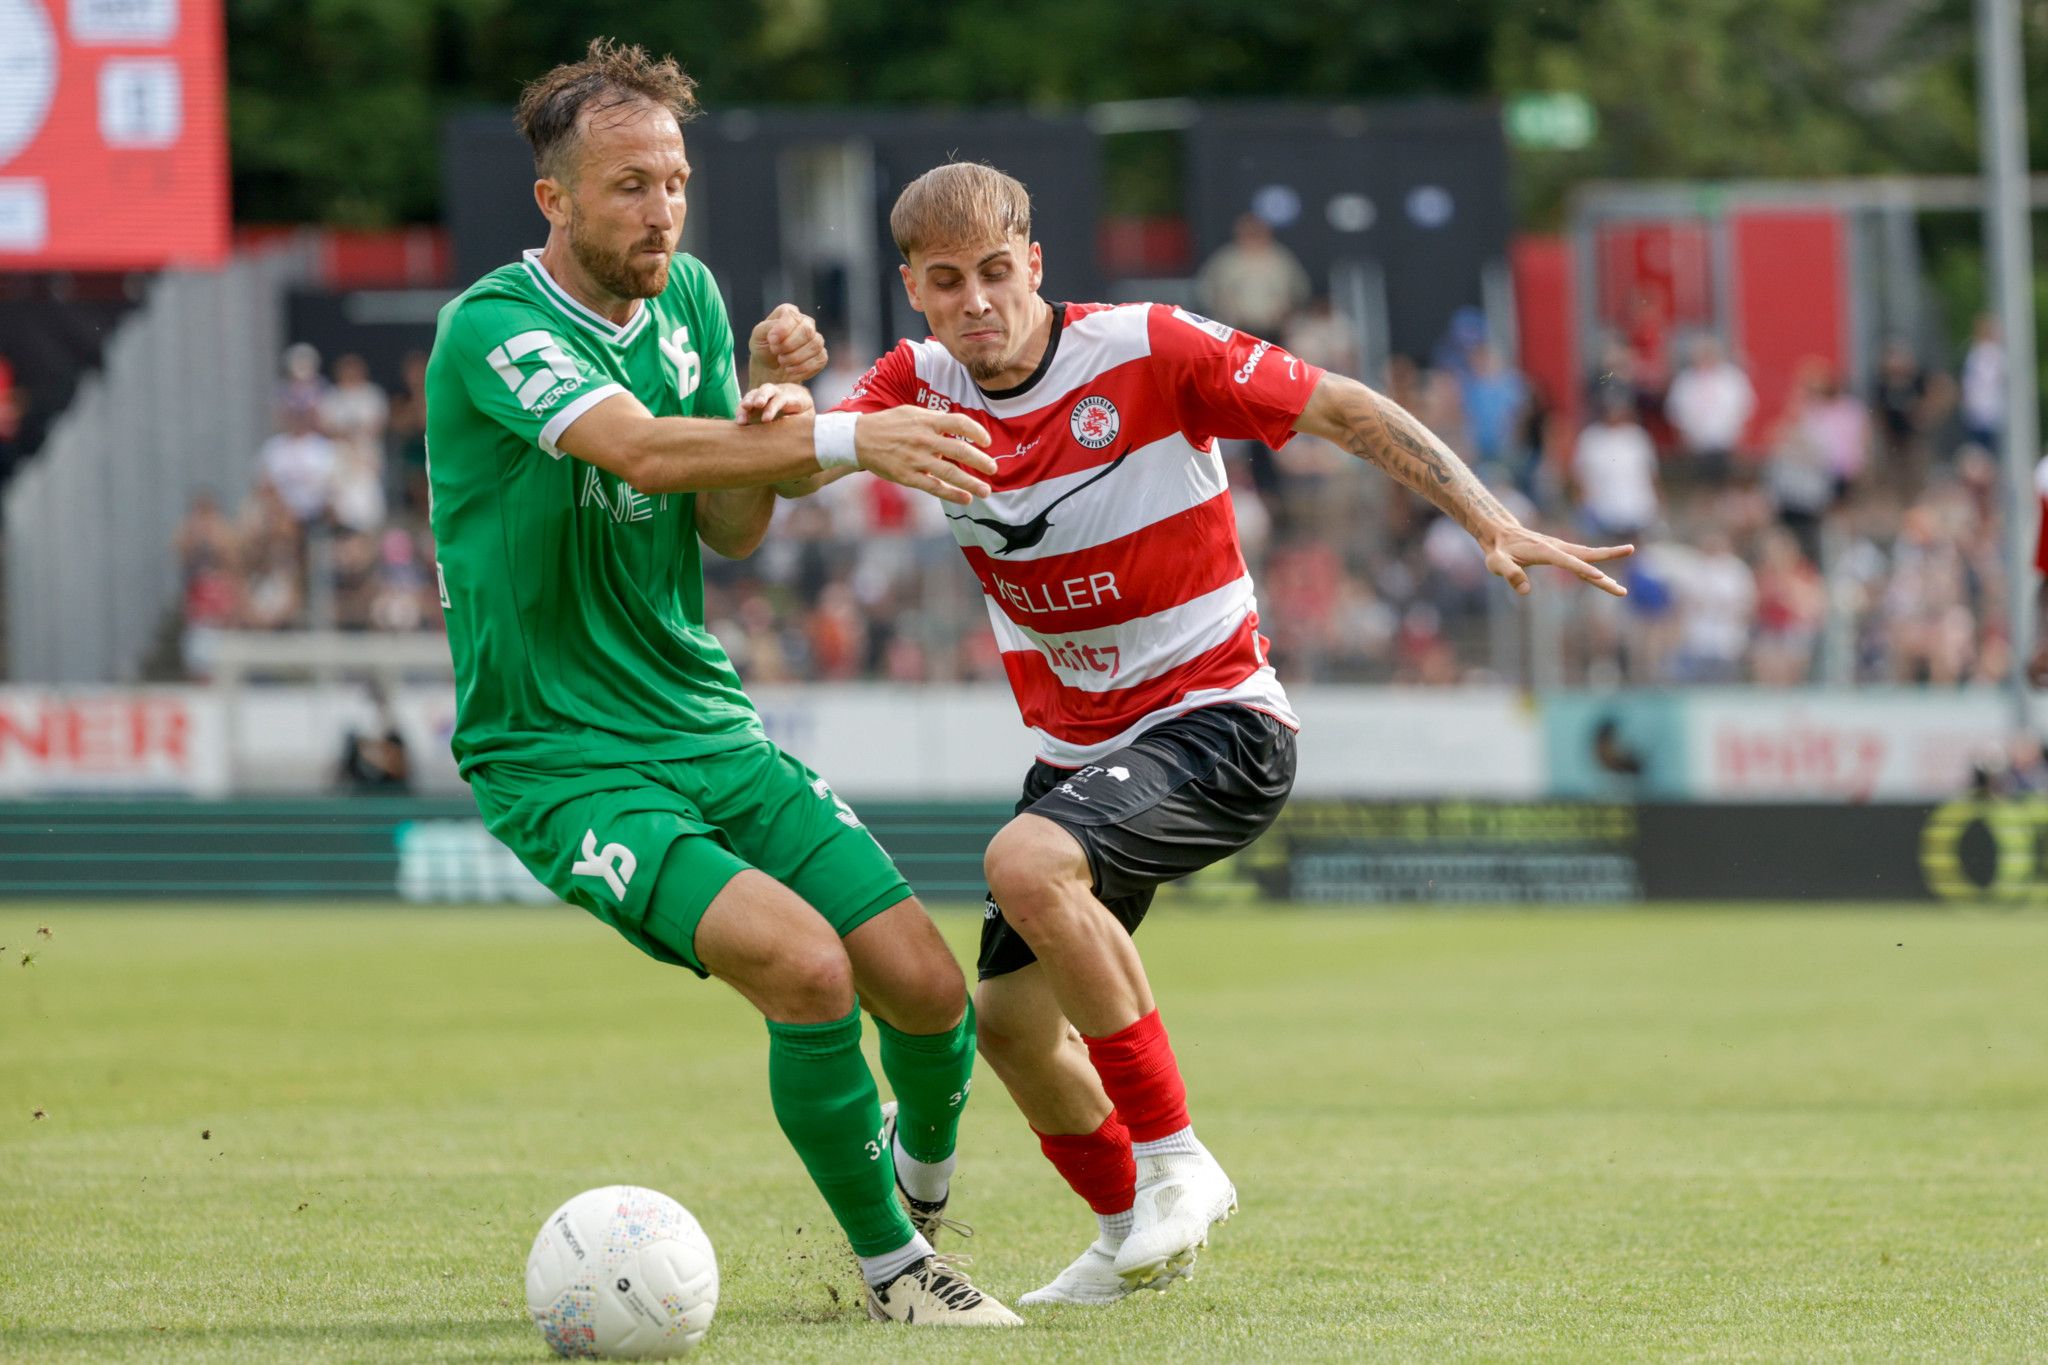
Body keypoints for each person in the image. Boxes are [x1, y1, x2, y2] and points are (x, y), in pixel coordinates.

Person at [786, 161, 1631, 1304]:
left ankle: (1180, 1163)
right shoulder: (912, 384)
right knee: (1011, 1031)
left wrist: (1488, 518)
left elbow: (1339, 405)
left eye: (996, 271)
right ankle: (1125, 1231)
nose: (976, 300)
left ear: (1034, 265)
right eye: (948, 282)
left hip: (1217, 720)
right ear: (915, 291)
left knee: (1025, 861)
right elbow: (791, 466)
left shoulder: (1146, 347)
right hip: (1079, 754)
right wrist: (775, 385)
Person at [423, 41, 1020, 1326]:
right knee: (809, 973)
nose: (660, 210)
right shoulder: (492, 327)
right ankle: (898, 1277)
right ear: (556, 201)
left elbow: (732, 529)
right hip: (562, 752)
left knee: (922, 984)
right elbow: (635, 454)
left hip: (706, 723)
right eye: (629, 186)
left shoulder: (690, 299)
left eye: (675, 182)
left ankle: (914, 1191)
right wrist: (850, 436)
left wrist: (775, 418)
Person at [1195, 213, 1311, 337]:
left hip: (1276, 329)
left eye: (1256, 232)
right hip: (1234, 329)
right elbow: (1205, 292)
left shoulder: (1282, 259)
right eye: (1248, 232)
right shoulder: (1225, 261)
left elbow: (1300, 291)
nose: (1252, 236)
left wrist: (1287, 312)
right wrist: (1223, 310)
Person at [1664, 335, 1755, 485]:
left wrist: (1740, 441)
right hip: (1697, 445)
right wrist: (1684, 441)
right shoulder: (1685, 381)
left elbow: (1745, 410)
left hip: (1727, 443)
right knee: (1702, 486)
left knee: (1727, 486)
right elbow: (1676, 415)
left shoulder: (1732, 378)